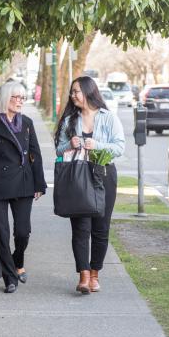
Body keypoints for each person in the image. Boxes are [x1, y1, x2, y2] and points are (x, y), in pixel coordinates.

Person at [0, 81, 47, 294]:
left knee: (22, 232)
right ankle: (9, 277)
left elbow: (36, 156)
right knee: (2, 234)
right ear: (6, 99)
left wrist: (39, 184)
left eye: (23, 97)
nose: (21, 101)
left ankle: (17, 260)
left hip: (24, 183)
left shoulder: (28, 123)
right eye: (17, 97)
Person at [54, 76, 125, 294]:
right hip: (78, 176)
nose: (73, 95)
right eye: (72, 92)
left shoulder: (108, 117)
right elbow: (58, 150)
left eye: (77, 91)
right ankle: (83, 275)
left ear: (88, 91)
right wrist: (69, 144)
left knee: (101, 228)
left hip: (103, 175)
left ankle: (95, 274)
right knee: (80, 228)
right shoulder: (69, 120)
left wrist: (97, 145)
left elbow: (120, 147)